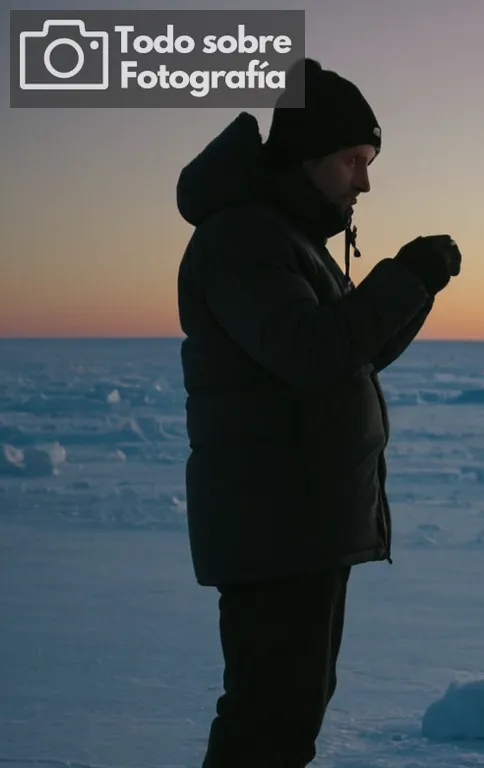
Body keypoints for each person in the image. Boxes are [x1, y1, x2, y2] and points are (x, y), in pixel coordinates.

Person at [174, 57, 461, 766]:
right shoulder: (244, 238)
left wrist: (414, 288)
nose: (363, 180)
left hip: (297, 518)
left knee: (287, 710)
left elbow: (347, 359)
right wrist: (403, 279)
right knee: (269, 718)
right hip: (271, 520)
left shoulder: (288, 236)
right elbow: (309, 353)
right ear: (307, 157)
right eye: (352, 160)